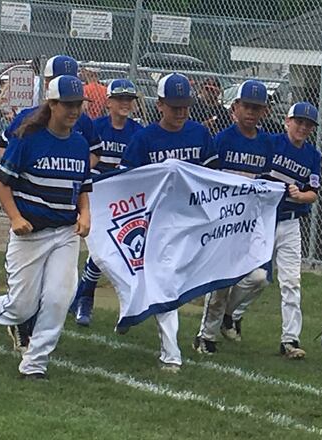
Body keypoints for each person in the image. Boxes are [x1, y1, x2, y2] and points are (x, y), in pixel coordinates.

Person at [0, 75, 92, 380]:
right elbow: (0, 182)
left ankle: (34, 364)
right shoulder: (28, 138)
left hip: (64, 233)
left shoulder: (79, 143)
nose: (74, 111)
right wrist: (14, 218)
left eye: (78, 105)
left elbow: (84, 186)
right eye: (68, 104)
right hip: (30, 233)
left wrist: (85, 215)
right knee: (21, 308)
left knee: (59, 299)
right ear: (52, 104)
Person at [112, 72, 215, 373]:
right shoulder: (144, 139)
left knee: (169, 281)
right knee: (166, 283)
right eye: (174, 106)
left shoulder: (199, 134)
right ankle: (171, 354)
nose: (181, 112)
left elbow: (213, 177)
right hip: (156, 221)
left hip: (191, 219)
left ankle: (132, 311)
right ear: (159, 105)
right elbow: (126, 180)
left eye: (185, 105)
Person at [219, 102, 322, 359]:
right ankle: (231, 314)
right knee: (256, 278)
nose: (303, 128)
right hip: (263, 220)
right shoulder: (271, 144)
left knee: (291, 282)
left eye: (308, 125)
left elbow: (314, 194)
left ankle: (289, 340)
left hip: (291, 222)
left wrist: (301, 196)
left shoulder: (313, 155)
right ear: (287, 121)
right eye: (299, 122)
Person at [193, 79, 274, 355]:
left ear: (264, 111)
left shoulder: (265, 143)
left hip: (250, 221)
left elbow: (265, 184)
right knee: (220, 282)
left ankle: (230, 314)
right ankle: (206, 336)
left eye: (257, 108)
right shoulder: (223, 139)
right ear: (235, 107)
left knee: (259, 277)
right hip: (224, 219)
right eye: (246, 106)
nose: (251, 112)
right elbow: (210, 180)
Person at [70, 78, 144, 326]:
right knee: (100, 250)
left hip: (124, 200)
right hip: (96, 197)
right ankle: (84, 297)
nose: (125, 104)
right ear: (109, 102)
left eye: (129, 99)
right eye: (120, 99)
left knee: (106, 250)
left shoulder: (138, 132)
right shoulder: (96, 127)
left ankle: (83, 296)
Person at [0, 55, 102, 169]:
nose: (65, 84)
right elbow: (2, 144)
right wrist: (13, 171)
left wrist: (79, 173)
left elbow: (95, 151)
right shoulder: (27, 117)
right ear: (47, 83)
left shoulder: (82, 120)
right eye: (58, 80)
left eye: (70, 80)